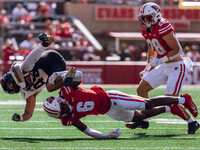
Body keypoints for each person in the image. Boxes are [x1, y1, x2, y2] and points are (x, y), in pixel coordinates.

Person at [43, 76, 198, 139]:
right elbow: (88, 131)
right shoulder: (67, 119)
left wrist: (66, 77)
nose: (66, 111)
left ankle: (183, 99)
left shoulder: (67, 90)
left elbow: (78, 75)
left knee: (147, 103)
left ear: (60, 99)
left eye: (63, 107)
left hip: (112, 98)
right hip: (109, 111)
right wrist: (106, 136)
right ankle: (170, 108)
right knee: (139, 117)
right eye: (62, 113)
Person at [129, 2, 199, 134]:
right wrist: (147, 67)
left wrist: (161, 59)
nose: (144, 21)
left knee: (170, 102)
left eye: (147, 17)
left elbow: (177, 50)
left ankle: (192, 122)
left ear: (155, 16)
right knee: (141, 89)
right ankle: (143, 120)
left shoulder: (164, 26)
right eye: (142, 18)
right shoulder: (146, 30)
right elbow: (152, 47)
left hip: (177, 67)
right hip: (165, 65)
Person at [1, 33, 82, 122]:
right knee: (50, 87)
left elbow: (16, 66)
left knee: (25, 68)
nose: (12, 87)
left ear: (11, 79)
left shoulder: (17, 72)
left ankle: (44, 44)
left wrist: (23, 83)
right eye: (11, 88)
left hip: (47, 59)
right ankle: (65, 76)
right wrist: (20, 118)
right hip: (55, 70)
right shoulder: (27, 92)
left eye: (10, 85)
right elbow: (28, 113)